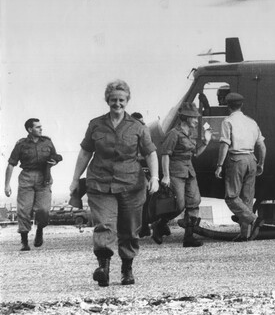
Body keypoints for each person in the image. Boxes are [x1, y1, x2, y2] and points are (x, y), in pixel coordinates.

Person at [69, 79, 159, 287]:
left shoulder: (137, 127)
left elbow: (151, 153)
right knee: (104, 224)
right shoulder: (96, 124)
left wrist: (154, 177)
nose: (117, 104)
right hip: (100, 184)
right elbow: (85, 152)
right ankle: (104, 268)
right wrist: (75, 179)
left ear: (127, 100)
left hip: (131, 185)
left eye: (121, 100)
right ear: (107, 100)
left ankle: (127, 268)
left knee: (129, 229)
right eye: (113, 100)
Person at [155, 102, 212, 247]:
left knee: (194, 201)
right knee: (179, 205)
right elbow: (165, 155)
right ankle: (159, 225)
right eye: (194, 118)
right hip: (176, 172)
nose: (196, 121)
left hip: (189, 171)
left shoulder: (190, 134)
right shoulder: (174, 134)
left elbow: (196, 153)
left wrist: (206, 142)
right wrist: (166, 176)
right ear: (186, 118)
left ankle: (188, 237)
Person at [214, 92, 266, 242]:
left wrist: (219, 165)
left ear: (227, 106)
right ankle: (245, 235)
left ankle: (253, 220)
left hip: (236, 159)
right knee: (247, 199)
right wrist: (261, 163)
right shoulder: (252, 122)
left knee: (231, 197)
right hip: (252, 160)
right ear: (241, 105)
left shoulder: (227, 121)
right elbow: (262, 146)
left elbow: (225, 145)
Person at [4, 118, 62, 251]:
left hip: (44, 178)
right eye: (37, 127)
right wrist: (6, 185)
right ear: (30, 129)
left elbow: (55, 156)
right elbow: (11, 164)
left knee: (43, 209)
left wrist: (55, 161)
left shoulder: (47, 141)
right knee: (23, 210)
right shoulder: (21, 144)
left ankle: (40, 230)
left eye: (41, 126)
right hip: (27, 177)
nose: (41, 129)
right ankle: (24, 241)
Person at [131, 112, 155, 238]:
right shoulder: (140, 131)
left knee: (144, 202)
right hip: (139, 170)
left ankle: (143, 227)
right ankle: (142, 227)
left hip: (143, 170)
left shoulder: (143, 132)